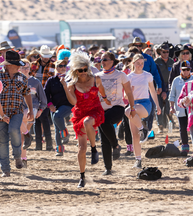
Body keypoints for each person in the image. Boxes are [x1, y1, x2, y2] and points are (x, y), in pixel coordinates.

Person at [61, 52, 107, 188]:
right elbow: (74, 102)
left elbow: (102, 91)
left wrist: (105, 99)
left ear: (88, 68)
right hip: (80, 114)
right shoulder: (72, 85)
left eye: (85, 69)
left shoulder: (96, 79)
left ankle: (94, 149)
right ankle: (82, 176)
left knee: (88, 122)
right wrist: (65, 87)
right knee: (81, 149)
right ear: (75, 71)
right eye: (79, 70)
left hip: (95, 111)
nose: (83, 72)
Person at [0, 50, 34, 177]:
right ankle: (5, 169)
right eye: (17, 65)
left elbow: (26, 93)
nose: (19, 67)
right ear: (8, 65)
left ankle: (17, 156)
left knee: (14, 130)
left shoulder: (22, 77)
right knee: (2, 141)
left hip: (17, 111)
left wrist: (31, 110)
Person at [96, 51, 135, 175]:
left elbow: (129, 92)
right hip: (102, 110)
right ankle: (108, 168)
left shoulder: (121, 75)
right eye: (101, 60)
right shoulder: (97, 76)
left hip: (117, 108)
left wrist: (132, 107)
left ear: (112, 61)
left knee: (105, 121)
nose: (102, 62)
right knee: (103, 139)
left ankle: (116, 145)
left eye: (105, 59)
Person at [124, 54, 161, 169]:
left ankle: (143, 129)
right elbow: (125, 96)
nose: (140, 65)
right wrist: (130, 92)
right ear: (133, 63)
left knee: (128, 111)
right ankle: (138, 160)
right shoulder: (129, 77)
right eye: (138, 63)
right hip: (133, 104)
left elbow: (153, 92)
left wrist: (158, 106)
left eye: (142, 63)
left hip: (145, 104)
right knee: (135, 136)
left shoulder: (148, 75)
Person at [128, 37, 163, 134]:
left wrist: (159, 85)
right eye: (136, 45)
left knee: (150, 111)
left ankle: (148, 129)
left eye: (140, 45)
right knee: (129, 113)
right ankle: (137, 130)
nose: (138, 47)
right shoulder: (128, 57)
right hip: (132, 91)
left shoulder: (148, 58)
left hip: (146, 88)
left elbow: (155, 72)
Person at [44, 50, 72, 156]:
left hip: (67, 105)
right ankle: (59, 149)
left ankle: (65, 132)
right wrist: (50, 104)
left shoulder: (70, 78)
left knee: (56, 117)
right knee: (56, 129)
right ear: (56, 68)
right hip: (54, 106)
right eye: (60, 66)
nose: (62, 67)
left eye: (64, 65)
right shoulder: (51, 80)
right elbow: (46, 94)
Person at [19, 59, 46, 165]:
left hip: (32, 109)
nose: (25, 70)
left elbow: (43, 100)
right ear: (19, 68)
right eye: (23, 68)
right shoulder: (16, 81)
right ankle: (24, 158)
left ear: (30, 68)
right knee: (21, 138)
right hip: (19, 110)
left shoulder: (36, 82)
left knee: (19, 121)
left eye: (27, 67)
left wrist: (40, 110)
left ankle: (27, 135)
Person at [29, 45, 55, 151]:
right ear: (40, 55)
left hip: (46, 93)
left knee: (43, 118)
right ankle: (40, 144)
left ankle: (47, 143)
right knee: (37, 119)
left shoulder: (52, 65)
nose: (46, 58)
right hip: (34, 94)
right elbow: (30, 77)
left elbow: (52, 79)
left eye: (47, 56)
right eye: (44, 56)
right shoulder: (33, 65)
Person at [169, 61, 193, 153]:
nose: (186, 71)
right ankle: (185, 146)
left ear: (190, 70)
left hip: (192, 109)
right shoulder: (176, 80)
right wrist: (171, 107)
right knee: (182, 127)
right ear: (181, 70)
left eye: (188, 69)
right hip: (180, 109)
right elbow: (172, 95)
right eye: (184, 70)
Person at [154, 44, 174, 133]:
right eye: (164, 52)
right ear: (160, 52)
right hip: (159, 86)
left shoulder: (171, 61)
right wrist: (160, 88)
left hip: (169, 86)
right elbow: (155, 76)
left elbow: (173, 76)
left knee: (168, 107)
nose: (166, 53)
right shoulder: (156, 62)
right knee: (159, 107)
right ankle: (160, 126)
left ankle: (170, 121)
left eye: (167, 52)